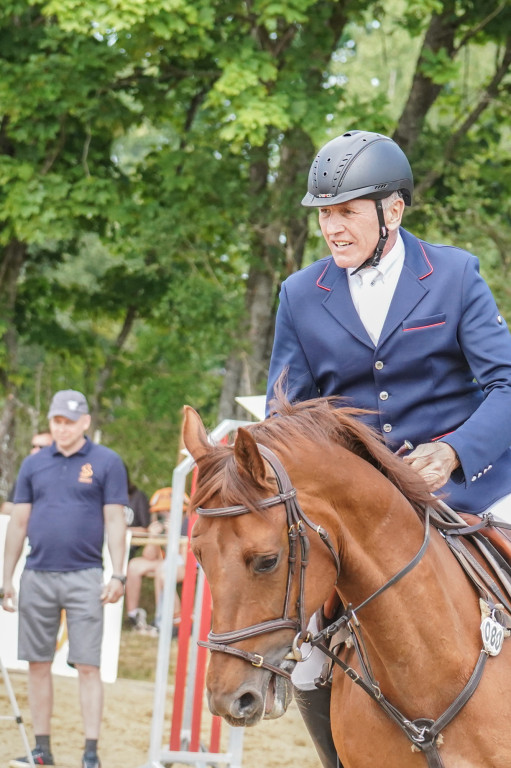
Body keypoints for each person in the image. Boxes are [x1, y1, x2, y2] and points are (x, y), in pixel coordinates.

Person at [266, 129, 511, 768]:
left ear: (392, 210)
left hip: (472, 486)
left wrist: (456, 451)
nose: (332, 228)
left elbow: (505, 383)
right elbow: (285, 415)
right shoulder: (299, 294)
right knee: (310, 660)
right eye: (324, 214)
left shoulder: (454, 274)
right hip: (365, 515)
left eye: (346, 212)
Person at [2, 390, 128, 768]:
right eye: (57, 421)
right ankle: (42, 750)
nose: (62, 428)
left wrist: (118, 573)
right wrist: (6, 576)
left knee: (89, 665)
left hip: (86, 576)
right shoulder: (33, 464)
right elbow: (18, 522)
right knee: (37, 664)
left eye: (70, 421)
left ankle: (90, 753)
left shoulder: (107, 462)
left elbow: (115, 520)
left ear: (85, 422)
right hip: (37, 574)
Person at [125, 486, 187, 634]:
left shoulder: (189, 524)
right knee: (134, 565)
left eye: (170, 511)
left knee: (164, 571)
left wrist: (173, 535)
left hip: (184, 563)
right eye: (161, 512)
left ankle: (174, 619)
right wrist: (153, 537)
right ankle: (133, 616)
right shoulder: (158, 525)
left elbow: (184, 558)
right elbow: (149, 556)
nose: (166, 515)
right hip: (165, 562)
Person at [1, 432, 53, 515]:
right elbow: (7, 507)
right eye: (33, 446)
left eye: (42, 447)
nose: (35, 450)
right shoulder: (26, 475)